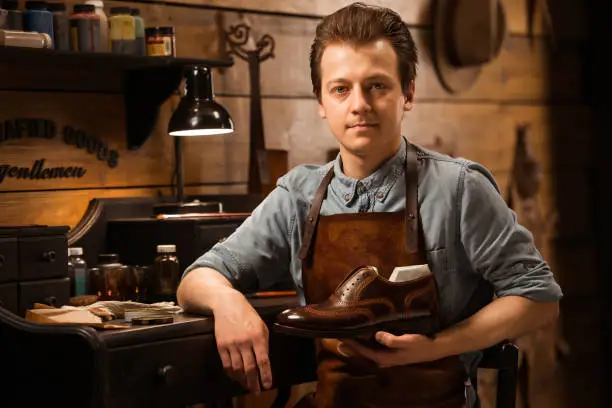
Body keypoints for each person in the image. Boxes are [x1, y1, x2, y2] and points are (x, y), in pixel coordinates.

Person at [177, 2, 562, 407]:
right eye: (341, 89)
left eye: (377, 85)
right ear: (322, 102)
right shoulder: (298, 196)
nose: (358, 103)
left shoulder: (458, 187)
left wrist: (435, 347)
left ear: (407, 92)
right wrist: (228, 302)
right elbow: (197, 278)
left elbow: (538, 298)